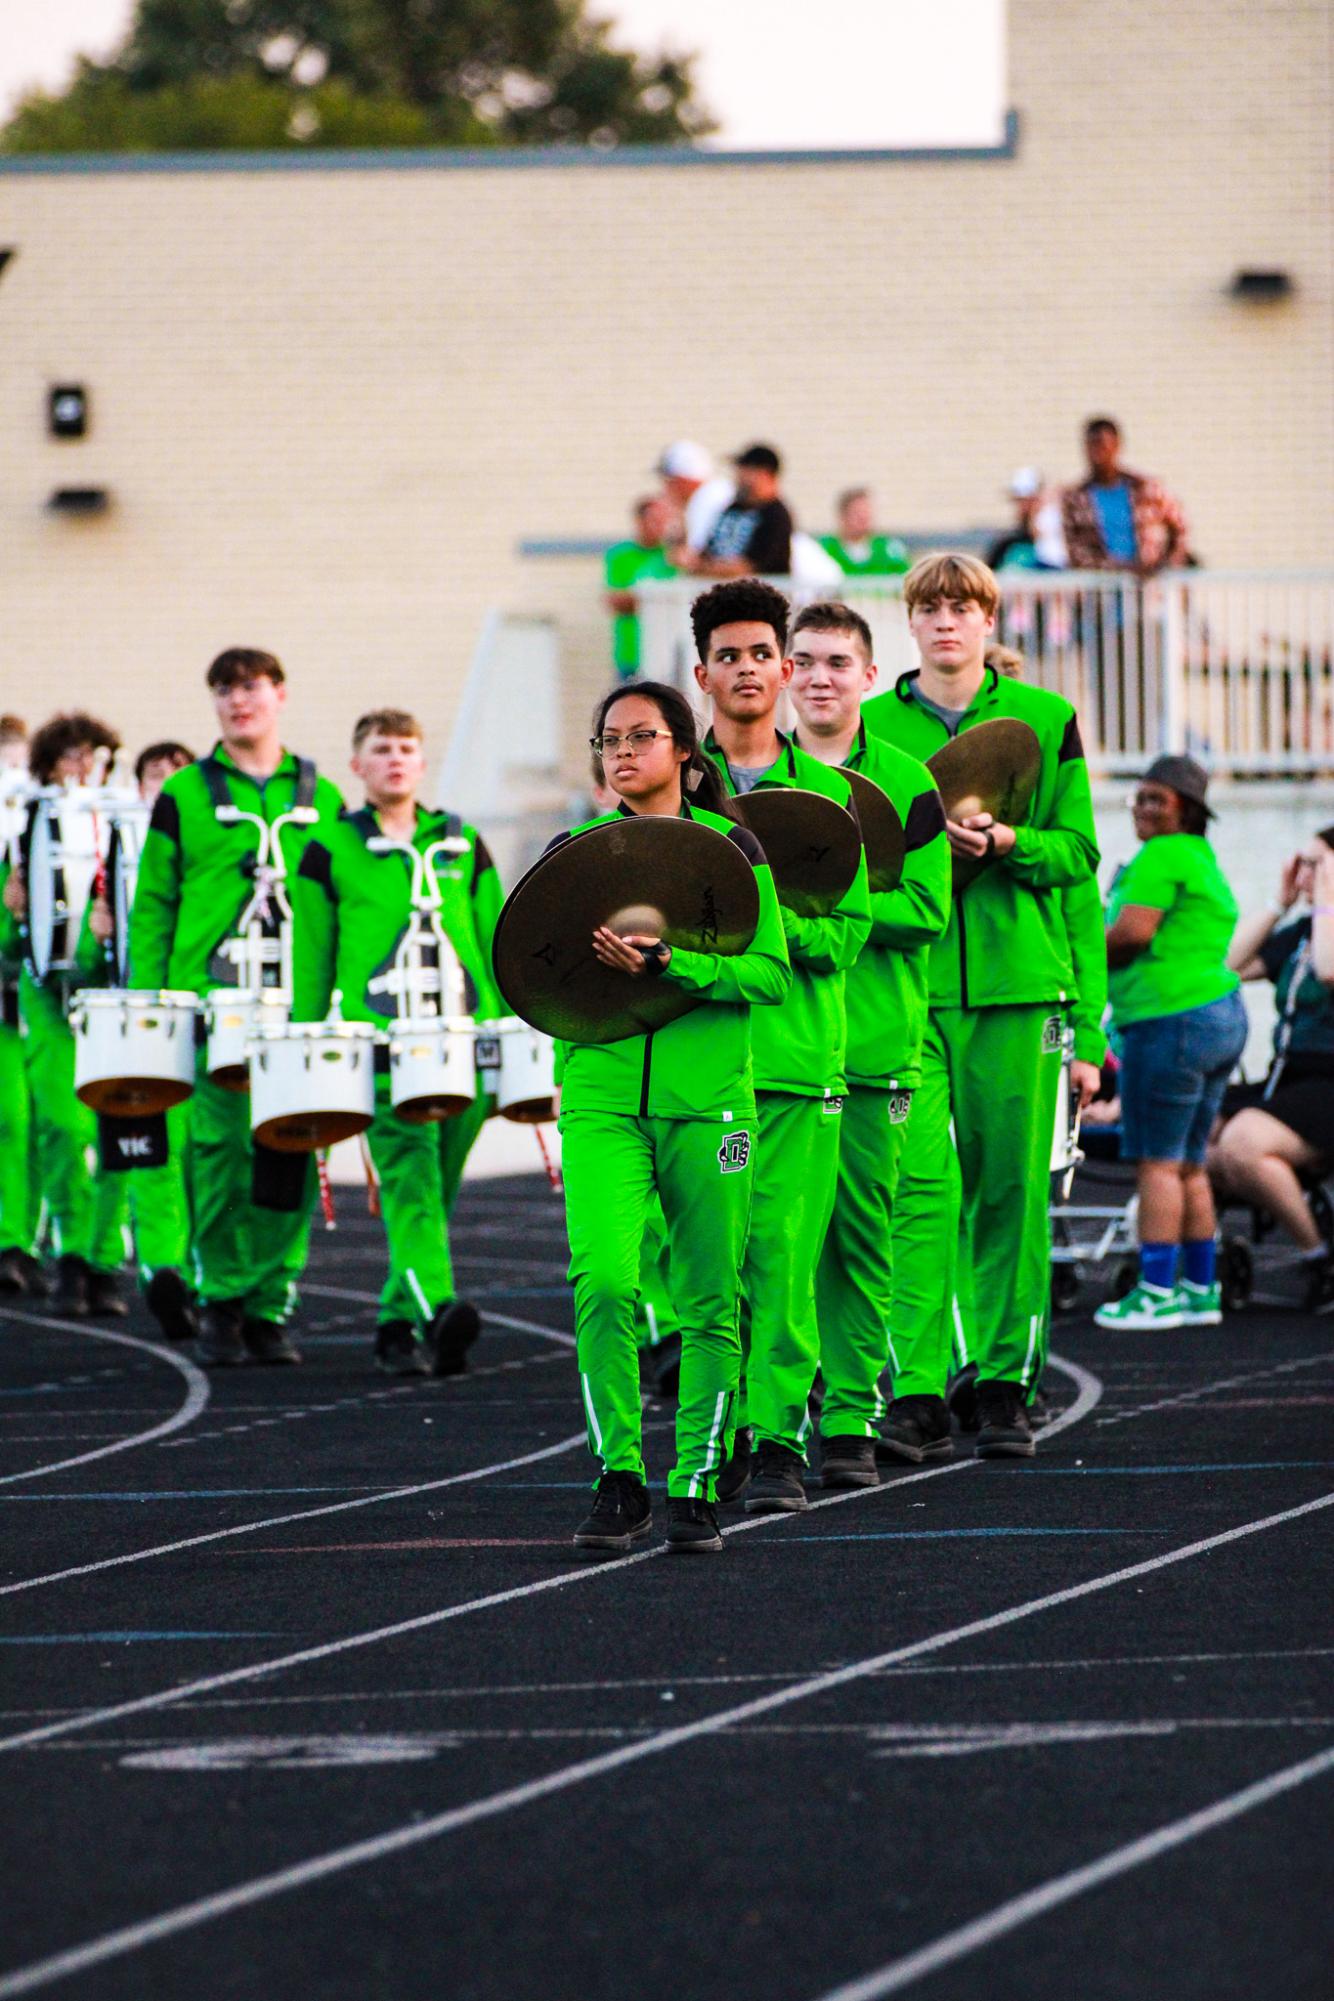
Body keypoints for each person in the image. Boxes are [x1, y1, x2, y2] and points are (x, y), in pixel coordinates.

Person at [864, 552, 1099, 1460]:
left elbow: (1079, 853)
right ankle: (919, 1387)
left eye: (966, 607)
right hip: (907, 994)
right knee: (916, 1193)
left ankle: (1007, 1382)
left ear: (991, 621)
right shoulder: (876, 729)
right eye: (932, 607)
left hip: (1018, 990)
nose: (949, 622)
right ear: (911, 622)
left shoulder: (1047, 718)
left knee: (1009, 1195)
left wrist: (1007, 841)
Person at [554, 679, 791, 1556]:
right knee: (607, 1282)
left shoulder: (736, 848)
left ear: (685, 752)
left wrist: (674, 963)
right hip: (603, 1100)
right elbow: (541, 977)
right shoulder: (573, 849)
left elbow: (769, 975)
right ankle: (618, 1475)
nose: (620, 751)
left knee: (708, 1297)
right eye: (606, 738)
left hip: (709, 1103)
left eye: (640, 735)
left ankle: (694, 1480)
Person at [696, 578, 871, 1510]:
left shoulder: (834, 795)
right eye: (729, 655)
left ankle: (776, 1439)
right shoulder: (672, 792)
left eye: (763, 652)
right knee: (708, 1265)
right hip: (702, 1070)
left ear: (786, 666)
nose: (748, 669)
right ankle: (714, 1428)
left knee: (786, 1259)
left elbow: (844, 936)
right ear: (704, 673)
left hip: (801, 1066)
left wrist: (752, 932)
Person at [129, 648, 343, 1367]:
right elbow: (153, 901)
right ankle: (219, 1296)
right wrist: (148, 1000)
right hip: (210, 1001)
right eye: (223, 689)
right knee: (217, 1156)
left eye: (250, 687)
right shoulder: (184, 792)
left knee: (288, 1151)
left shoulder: (323, 794)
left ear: (279, 694)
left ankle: (269, 1301)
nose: (237, 701)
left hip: (295, 1007)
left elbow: (343, 902)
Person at [786, 601, 951, 1486]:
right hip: (774, 1046)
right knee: (772, 1241)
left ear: (869, 675)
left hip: (876, 1044)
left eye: (837, 663)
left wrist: (827, 906)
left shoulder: (906, 780)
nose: (819, 676)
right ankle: (776, 1407)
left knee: (860, 1234)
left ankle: (850, 1410)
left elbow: (928, 908)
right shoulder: (746, 779)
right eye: (803, 660)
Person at [292, 708, 500, 1376]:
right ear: (357, 765)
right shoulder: (327, 847)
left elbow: (497, 941)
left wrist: (514, 1030)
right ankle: (439, 1306)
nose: (396, 760)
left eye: (407, 747)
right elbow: (311, 956)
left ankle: (393, 1322)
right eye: (381, 749)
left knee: (434, 1189)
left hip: (465, 1046)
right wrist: (307, 1044)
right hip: (380, 1052)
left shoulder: (462, 841)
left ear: (422, 759)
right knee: (410, 1184)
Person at [1095, 756, 1247, 1330]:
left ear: (1186, 810)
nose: (1142, 808)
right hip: (1217, 1016)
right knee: (1189, 1163)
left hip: (1171, 1021)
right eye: (1139, 797)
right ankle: (1197, 1288)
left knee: (1157, 1165)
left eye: (1157, 799)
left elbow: (1132, 934)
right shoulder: (1200, 857)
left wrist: (1076, 952)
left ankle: (1155, 1291)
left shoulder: (1162, 855)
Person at [3, 711, 131, 1318]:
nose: (81, 768)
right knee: (61, 1126)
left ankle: (101, 1257)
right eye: (69, 757)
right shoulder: (24, 824)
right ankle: (71, 1252)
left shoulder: (126, 822)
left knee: (116, 1133)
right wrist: (13, 913)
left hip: (110, 1001)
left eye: (92, 755)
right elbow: (8, 945)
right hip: (45, 996)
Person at [87, 740, 198, 1342]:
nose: (167, 785)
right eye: (156, 776)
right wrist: (92, 929)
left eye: (178, 774)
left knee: (197, 1156)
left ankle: (189, 1272)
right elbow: (70, 953)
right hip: (132, 1021)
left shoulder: (210, 845)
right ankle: (159, 1270)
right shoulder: (114, 847)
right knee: (144, 1152)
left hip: (198, 1015)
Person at [1208, 827, 1334, 1312]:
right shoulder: (1301, 933)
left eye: (1317, 863)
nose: (1305, 872)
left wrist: (1324, 900)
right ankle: (1209, 1260)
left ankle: (1318, 1256)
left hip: (1326, 1083)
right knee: (1197, 1134)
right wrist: (1280, 903)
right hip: (1287, 1079)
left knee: (1242, 1142)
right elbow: (1229, 967)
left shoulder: (1323, 932)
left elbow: (1328, 971)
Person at [1061, 418, 1190, 575]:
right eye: (1092, 446)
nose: (1098, 453)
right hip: (1102, 588)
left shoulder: (1145, 489)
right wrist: (1117, 569)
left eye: (1103, 445)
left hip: (1147, 586)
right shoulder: (1076, 498)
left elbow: (1179, 526)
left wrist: (1164, 564)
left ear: (1116, 445)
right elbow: (1074, 549)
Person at [677, 445, 793, 579]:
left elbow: (752, 565)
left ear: (764, 474)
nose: (738, 476)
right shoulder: (732, 509)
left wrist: (701, 567)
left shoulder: (776, 515)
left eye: (746, 470)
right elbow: (708, 549)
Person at [603, 495, 676, 678]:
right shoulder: (621, 555)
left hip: (668, 654)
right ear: (639, 521)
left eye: (665, 520)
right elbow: (617, 602)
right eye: (655, 520)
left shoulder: (674, 556)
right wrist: (659, 598)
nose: (661, 526)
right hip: (632, 655)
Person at [655, 440, 733, 555]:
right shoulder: (719, 489)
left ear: (682, 480)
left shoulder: (704, 500)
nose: (666, 488)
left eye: (669, 481)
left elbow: (695, 556)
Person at [985, 469, 1067, 572]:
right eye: (1019, 501)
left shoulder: (1060, 544)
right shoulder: (1007, 545)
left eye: (1028, 501)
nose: (1021, 508)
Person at [820, 489, 911, 579]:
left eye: (866, 512)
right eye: (857, 513)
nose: (863, 518)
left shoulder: (889, 549)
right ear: (842, 516)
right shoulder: (824, 550)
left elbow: (907, 581)